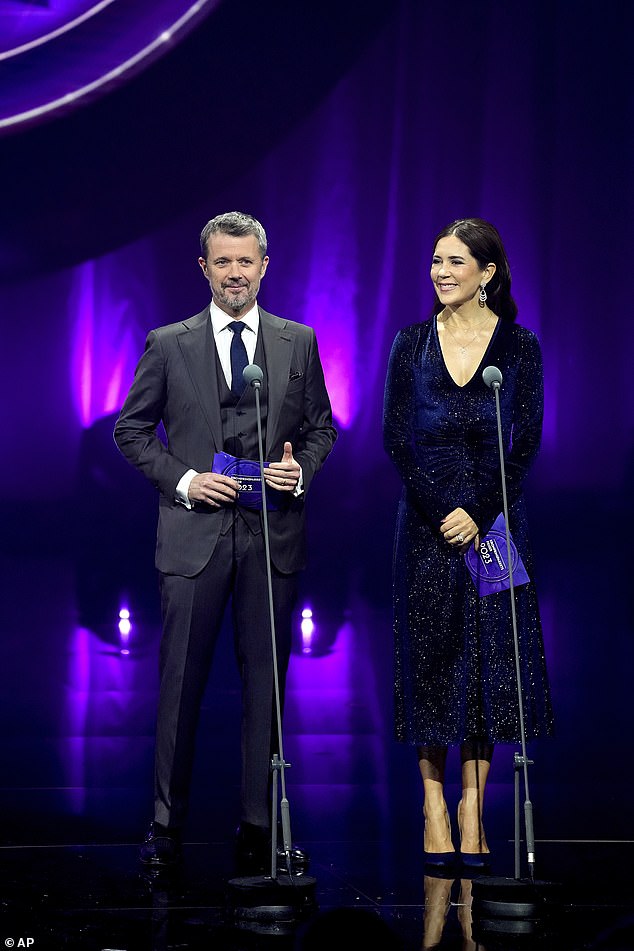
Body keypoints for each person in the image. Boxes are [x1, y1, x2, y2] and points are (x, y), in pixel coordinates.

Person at [114, 211, 337, 872]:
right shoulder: (169, 342)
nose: (235, 273)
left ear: (264, 266)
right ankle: (163, 827)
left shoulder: (298, 341)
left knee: (266, 687)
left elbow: (323, 427)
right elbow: (130, 431)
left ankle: (260, 825)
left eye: (246, 262)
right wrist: (183, 479)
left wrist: (304, 468)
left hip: (272, 534)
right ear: (204, 268)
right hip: (194, 537)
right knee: (179, 686)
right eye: (223, 262)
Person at [382, 217, 553, 868]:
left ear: (488, 272)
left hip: (496, 520)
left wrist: (479, 510)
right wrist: (443, 509)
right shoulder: (410, 342)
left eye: (456, 261)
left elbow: (527, 441)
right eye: (435, 261)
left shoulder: (519, 346)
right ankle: (431, 800)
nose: (441, 272)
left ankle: (473, 804)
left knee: (487, 661)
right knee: (431, 657)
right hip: (427, 522)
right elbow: (397, 437)